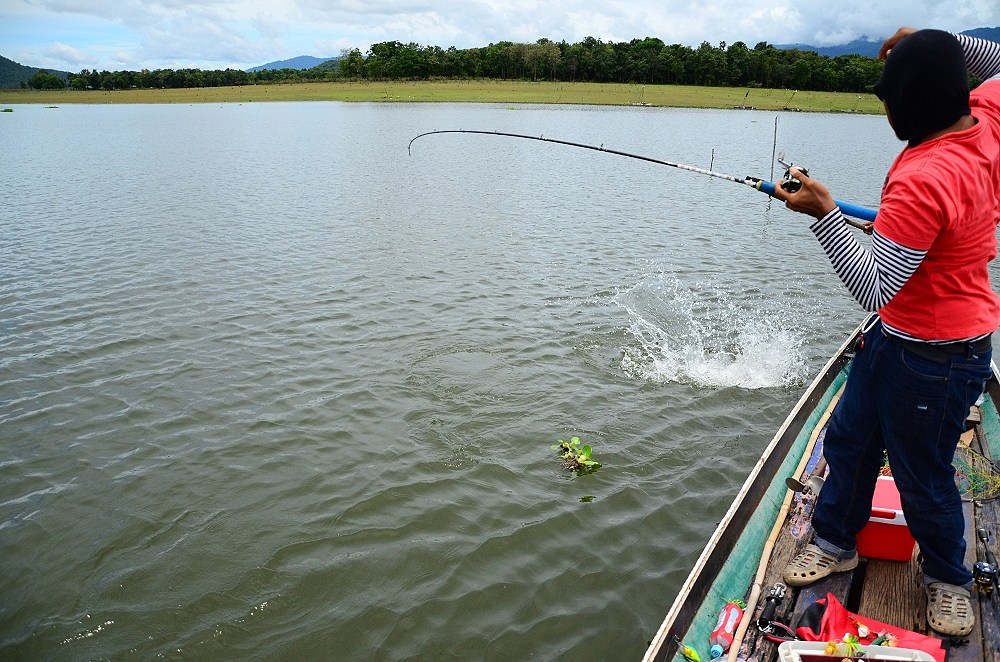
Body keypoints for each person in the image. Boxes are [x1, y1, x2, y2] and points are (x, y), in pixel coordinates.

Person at [772, 27, 1000, 637]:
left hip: (940, 356)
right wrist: (933, 40)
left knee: (922, 470)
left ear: (909, 110)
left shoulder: (924, 178)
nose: (884, 107)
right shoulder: (984, 115)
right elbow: (998, 58)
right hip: (897, 336)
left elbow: (875, 284)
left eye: (889, 98)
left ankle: (948, 579)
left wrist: (822, 214)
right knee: (848, 439)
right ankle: (835, 540)